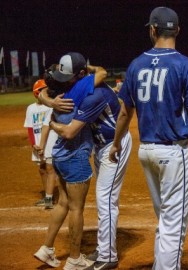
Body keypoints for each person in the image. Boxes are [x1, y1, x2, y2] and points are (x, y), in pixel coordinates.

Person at [108, 7, 188, 270]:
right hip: (173, 152)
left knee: (165, 218)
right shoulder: (185, 65)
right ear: (177, 30)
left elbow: (124, 112)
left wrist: (116, 142)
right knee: (173, 224)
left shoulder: (135, 64)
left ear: (153, 30)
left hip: (147, 151)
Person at [42, 72, 132, 270]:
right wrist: (48, 101)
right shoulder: (79, 90)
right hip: (97, 148)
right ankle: (102, 249)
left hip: (112, 146)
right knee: (99, 199)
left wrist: (50, 120)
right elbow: (42, 92)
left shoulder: (88, 95)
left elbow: (69, 131)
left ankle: (107, 255)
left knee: (104, 198)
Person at [34, 52, 107, 270]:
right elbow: (102, 72)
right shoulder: (82, 88)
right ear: (81, 73)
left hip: (59, 155)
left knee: (63, 203)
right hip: (75, 158)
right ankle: (75, 259)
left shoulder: (54, 92)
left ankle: (46, 248)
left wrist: (47, 100)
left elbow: (39, 93)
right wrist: (91, 67)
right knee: (76, 209)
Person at [23, 79, 58, 209]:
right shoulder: (31, 108)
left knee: (50, 168)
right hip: (37, 143)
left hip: (49, 142)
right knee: (42, 169)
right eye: (41, 90)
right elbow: (30, 128)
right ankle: (48, 196)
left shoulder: (50, 106)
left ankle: (50, 198)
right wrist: (33, 144)